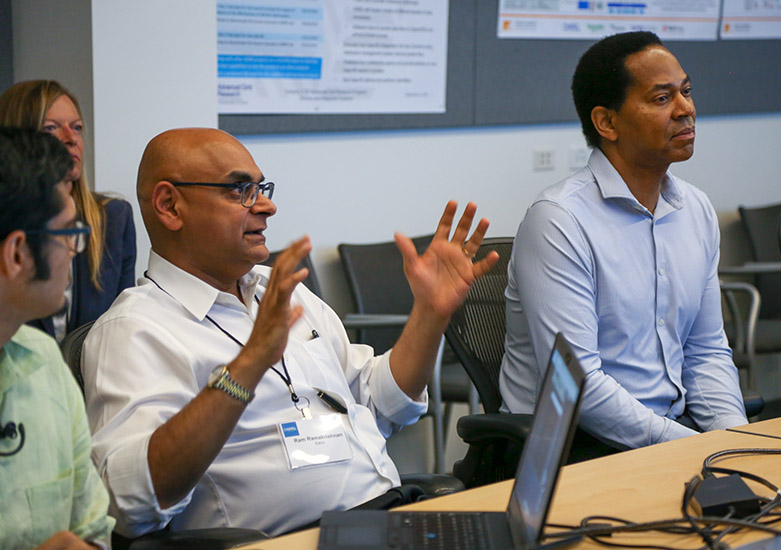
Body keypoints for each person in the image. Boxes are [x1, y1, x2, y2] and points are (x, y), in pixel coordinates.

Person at [82, 127, 498, 537]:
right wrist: (248, 364)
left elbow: (381, 401)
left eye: (262, 188)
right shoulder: (135, 329)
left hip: (384, 519)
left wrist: (429, 314)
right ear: (170, 205)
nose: (266, 206)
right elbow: (130, 502)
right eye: (240, 190)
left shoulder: (278, 288)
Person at [499, 31, 747, 452]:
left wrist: (735, 439)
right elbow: (578, 386)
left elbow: (705, 352)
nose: (686, 109)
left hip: (670, 435)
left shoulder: (695, 209)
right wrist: (693, 449)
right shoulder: (559, 220)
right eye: (662, 98)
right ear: (607, 123)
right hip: (571, 448)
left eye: (686, 92)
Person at [0, 127, 114, 549]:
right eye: (68, 235)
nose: (73, 252)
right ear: (17, 253)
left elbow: (93, 532)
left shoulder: (46, 361)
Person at [0, 80, 136, 341]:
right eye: (51, 128)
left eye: (77, 128)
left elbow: (120, 328)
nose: (71, 138)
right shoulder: (10, 221)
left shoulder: (114, 218)